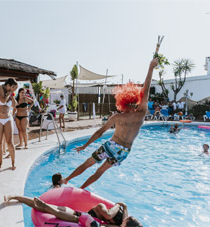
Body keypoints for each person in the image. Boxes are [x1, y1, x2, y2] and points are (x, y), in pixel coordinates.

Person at [62, 56, 160, 189]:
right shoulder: (141, 114)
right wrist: (151, 68)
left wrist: (85, 146)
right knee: (100, 171)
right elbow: (146, 90)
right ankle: (80, 189)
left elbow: (99, 132)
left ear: (122, 101)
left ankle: (67, 179)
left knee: (88, 163)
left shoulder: (117, 117)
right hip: (124, 151)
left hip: (111, 146)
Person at [2, 195, 140, 227]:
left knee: (44, 206)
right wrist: (124, 207)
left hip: (82, 216)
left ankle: (15, 197)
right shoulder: (120, 218)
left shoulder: (117, 225)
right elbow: (120, 212)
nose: (125, 220)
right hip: (85, 215)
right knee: (44, 206)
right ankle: (14, 196)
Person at [0, 79, 18, 170]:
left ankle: (13, 163)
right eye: (14, 87)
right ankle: (0, 163)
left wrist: (13, 96)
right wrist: (10, 93)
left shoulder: (10, 93)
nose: (14, 90)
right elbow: (3, 101)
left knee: (10, 142)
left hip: (8, 118)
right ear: (9, 85)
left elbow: (14, 105)